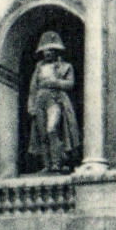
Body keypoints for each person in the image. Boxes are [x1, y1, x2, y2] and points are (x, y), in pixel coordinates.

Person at [27, 33, 80, 172]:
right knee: (42, 133)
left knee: (52, 129)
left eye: (51, 50)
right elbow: (33, 88)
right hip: (40, 100)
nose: (47, 53)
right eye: (45, 50)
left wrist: (55, 82)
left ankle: (58, 162)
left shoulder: (66, 67)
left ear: (56, 51)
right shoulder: (39, 68)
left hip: (55, 99)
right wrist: (31, 105)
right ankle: (47, 165)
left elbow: (70, 84)